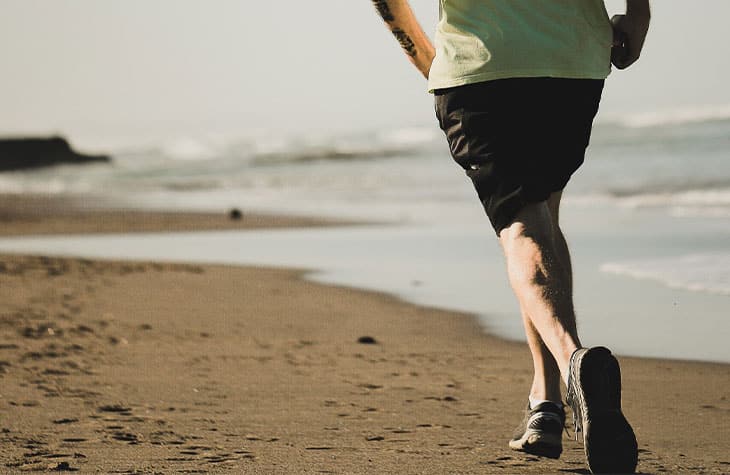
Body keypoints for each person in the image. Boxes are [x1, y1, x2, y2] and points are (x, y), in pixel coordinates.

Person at [371, 1, 650, 473]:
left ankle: (571, 362)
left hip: (481, 65)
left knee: (520, 226)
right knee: (542, 216)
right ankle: (545, 401)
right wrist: (639, 17)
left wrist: (428, 61)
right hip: (572, 63)